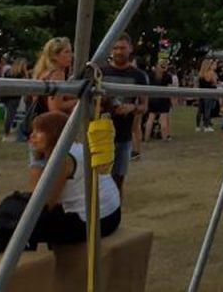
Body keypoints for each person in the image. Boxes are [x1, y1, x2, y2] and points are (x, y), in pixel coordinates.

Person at [25, 111, 121, 247]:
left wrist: (35, 162)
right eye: (33, 130)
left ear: (54, 134)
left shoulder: (64, 159)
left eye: (39, 131)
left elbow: (41, 202)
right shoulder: (77, 148)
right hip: (110, 212)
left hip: (97, 221)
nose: (32, 136)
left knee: (23, 225)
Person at [99, 34, 148, 194]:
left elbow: (143, 106)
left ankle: (115, 215)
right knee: (96, 180)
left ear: (130, 49)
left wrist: (131, 107)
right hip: (100, 134)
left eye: (122, 48)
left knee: (117, 181)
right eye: (115, 48)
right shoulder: (100, 72)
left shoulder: (139, 76)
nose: (118, 52)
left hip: (123, 135)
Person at [143, 62, 173, 142]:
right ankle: (164, 137)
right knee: (163, 119)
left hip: (152, 98)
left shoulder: (151, 75)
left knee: (150, 118)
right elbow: (170, 89)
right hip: (163, 98)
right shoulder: (167, 76)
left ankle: (146, 137)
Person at [1, 58, 28, 142]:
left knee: (8, 114)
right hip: (14, 97)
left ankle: (7, 131)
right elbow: (27, 83)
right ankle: (6, 133)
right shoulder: (20, 73)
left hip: (5, 95)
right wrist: (26, 72)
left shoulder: (8, 71)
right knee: (10, 115)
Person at [196, 59, 217, 132]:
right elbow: (214, 82)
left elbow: (199, 84)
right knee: (207, 110)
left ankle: (198, 126)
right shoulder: (211, 73)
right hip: (209, 93)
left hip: (201, 93)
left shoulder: (200, 74)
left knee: (200, 110)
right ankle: (206, 126)